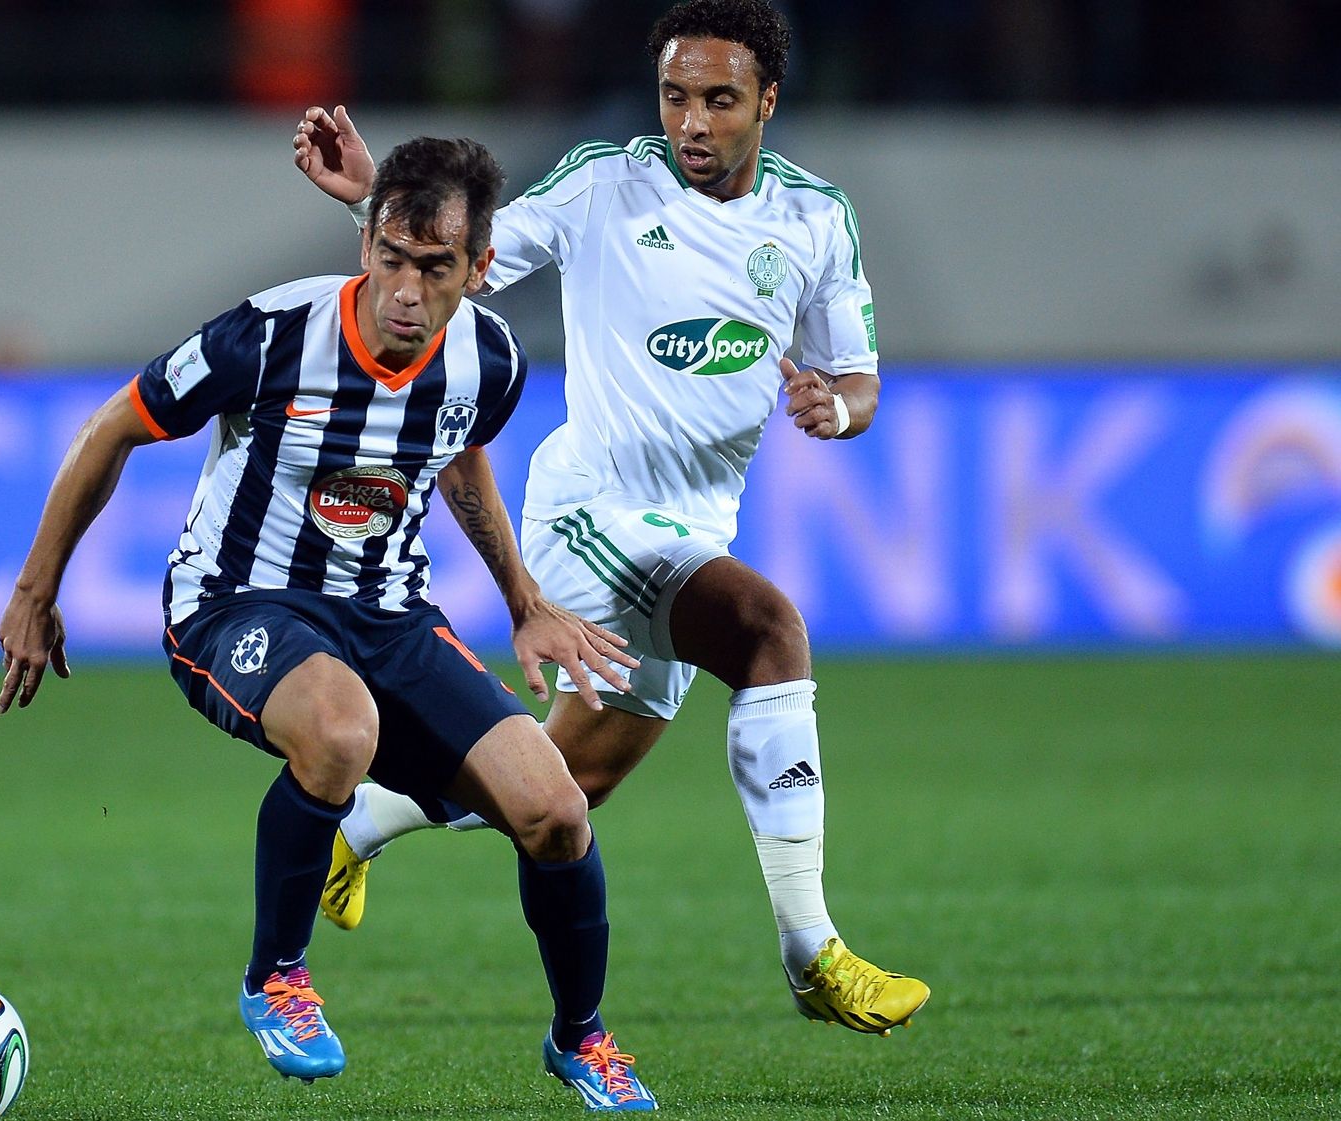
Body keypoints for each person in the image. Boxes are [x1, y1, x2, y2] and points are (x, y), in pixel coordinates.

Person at [292, 0, 930, 1036]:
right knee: (771, 632)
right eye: (677, 95)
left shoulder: (814, 219)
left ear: (767, 100)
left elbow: (857, 374)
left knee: (563, 785)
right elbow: (473, 257)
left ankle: (354, 824)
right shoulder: (605, 184)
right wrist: (376, 194)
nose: (692, 120)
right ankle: (815, 951)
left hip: (691, 529)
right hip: (587, 511)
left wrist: (838, 406)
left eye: (720, 99)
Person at [0, 137, 658, 1112]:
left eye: (434, 268)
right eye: (390, 255)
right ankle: (278, 976)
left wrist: (524, 601)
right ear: (366, 246)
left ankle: (580, 1037)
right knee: (344, 729)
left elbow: (458, 452)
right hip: (237, 601)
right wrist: (32, 592)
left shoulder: (492, 359)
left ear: (479, 271)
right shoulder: (267, 336)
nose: (404, 287)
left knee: (556, 810)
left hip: (389, 615)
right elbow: (116, 425)